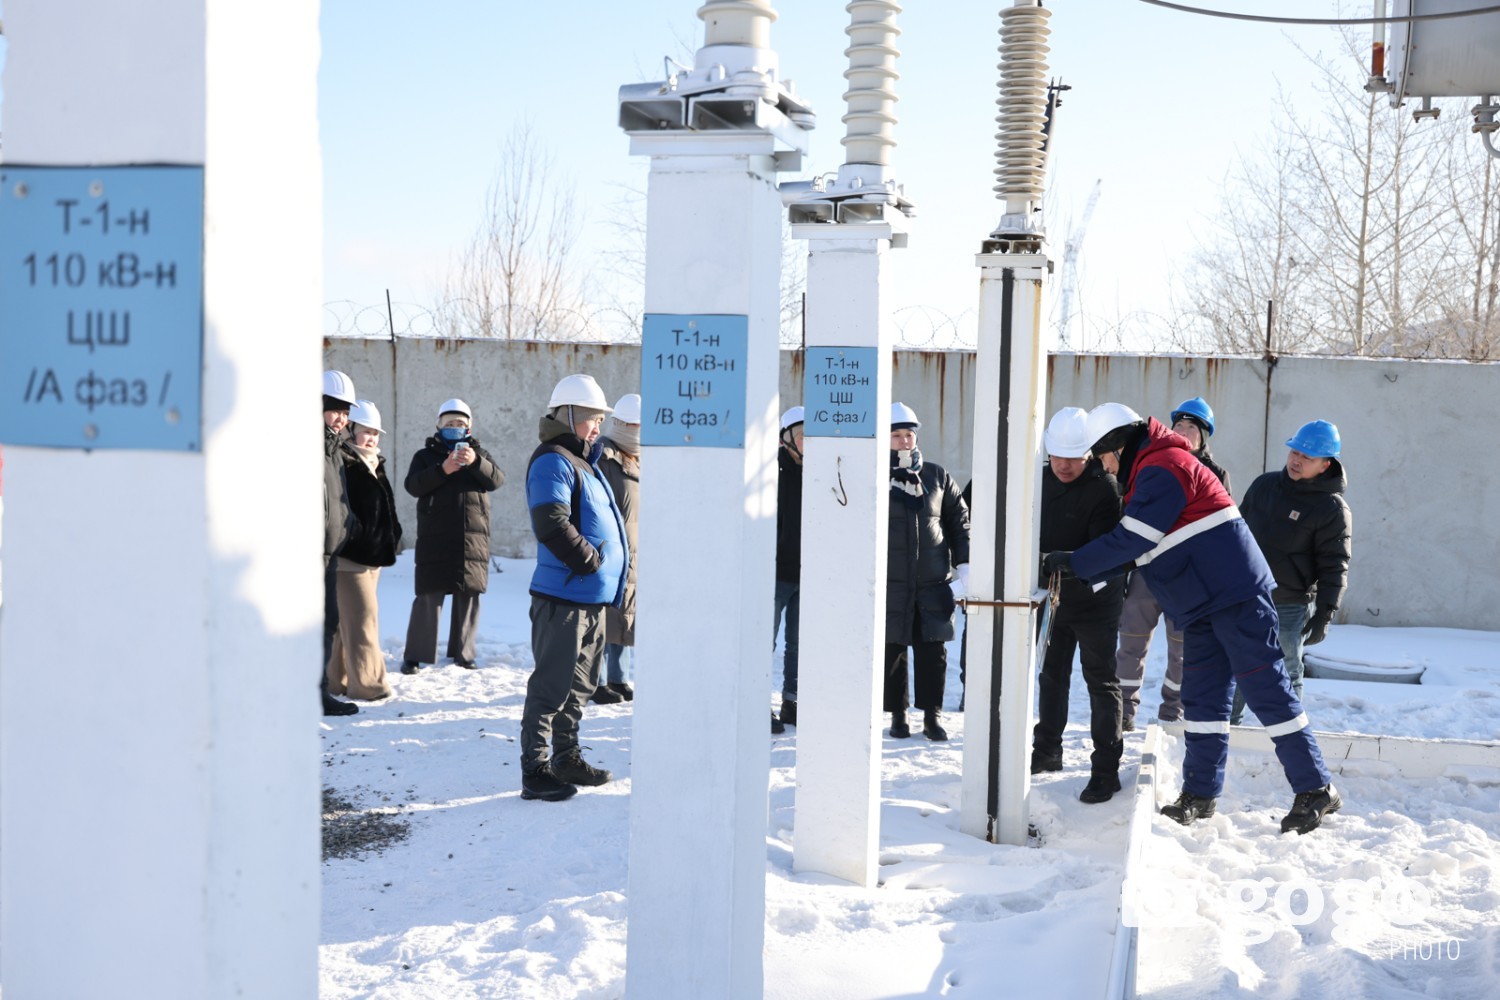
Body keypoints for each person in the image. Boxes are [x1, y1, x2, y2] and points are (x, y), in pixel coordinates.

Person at [1046, 403, 1342, 834]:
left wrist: (1075, 562)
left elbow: (1134, 538)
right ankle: (1200, 793)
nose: (1102, 467)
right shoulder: (1150, 470)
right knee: (1202, 701)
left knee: (1267, 691)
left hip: (1234, 597)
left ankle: (1316, 787)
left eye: (1101, 456)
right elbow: (1143, 550)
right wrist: (1079, 566)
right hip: (1200, 603)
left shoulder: (1164, 466)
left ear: (1117, 446)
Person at [519, 374, 629, 802]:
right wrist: (589, 560)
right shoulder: (553, 460)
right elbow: (550, 520)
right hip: (563, 598)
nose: (597, 426)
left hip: (591, 599)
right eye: (590, 418)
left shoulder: (586, 461)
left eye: (600, 419)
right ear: (567, 416)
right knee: (551, 688)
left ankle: (566, 758)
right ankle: (536, 770)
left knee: (580, 687)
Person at [1116, 397, 1231, 732]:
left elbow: (1221, 528)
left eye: (1191, 427)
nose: (1182, 431)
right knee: (1131, 641)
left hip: (1187, 577)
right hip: (1147, 569)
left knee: (1184, 649)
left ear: (1204, 436)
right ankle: (1122, 709)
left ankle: (1173, 712)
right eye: (1178, 425)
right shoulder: (1154, 463)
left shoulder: (1215, 474)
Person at [1030, 407, 1127, 803]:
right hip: (1053, 598)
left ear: (1089, 454)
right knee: (1051, 675)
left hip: (1096, 600)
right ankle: (1046, 750)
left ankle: (1106, 770)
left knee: (1100, 680)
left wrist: (1061, 560)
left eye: (1073, 458)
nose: (1064, 466)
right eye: (1057, 456)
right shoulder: (1037, 481)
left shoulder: (1105, 488)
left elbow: (1103, 550)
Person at [1230, 420, 1352, 726]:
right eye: (1294, 452)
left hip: (1290, 603)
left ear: (1325, 465)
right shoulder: (1264, 486)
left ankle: (1291, 733)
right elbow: (1235, 534)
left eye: (1307, 457)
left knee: (1286, 670)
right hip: (1246, 595)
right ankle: (1226, 728)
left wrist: (1325, 613)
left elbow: (1335, 564)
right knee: (1237, 665)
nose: (1296, 460)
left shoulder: (1332, 509)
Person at [884, 402, 970, 742]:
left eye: (909, 435)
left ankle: (933, 716)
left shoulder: (937, 476)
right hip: (892, 583)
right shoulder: (876, 475)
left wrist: (965, 565)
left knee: (933, 652)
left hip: (933, 582)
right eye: (896, 435)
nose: (904, 441)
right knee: (893, 650)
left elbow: (959, 523)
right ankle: (898, 714)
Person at [400, 398, 503, 673]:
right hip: (435, 536)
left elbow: (497, 480)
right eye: (449, 423)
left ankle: (463, 653)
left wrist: (476, 462)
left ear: (469, 428)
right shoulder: (425, 456)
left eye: (460, 423)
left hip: (472, 538)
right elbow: (413, 485)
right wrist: (442, 470)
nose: (454, 427)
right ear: (439, 426)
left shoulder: (480, 453)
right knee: (429, 595)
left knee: (469, 594)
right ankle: (415, 655)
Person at [327, 400, 403, 701]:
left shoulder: (372, 461)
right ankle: (370, 686)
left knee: (346, 622)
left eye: (375, 433)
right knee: (362, 620)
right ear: (350, 430)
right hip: (350, 556)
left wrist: (392, 534)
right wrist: (354, 534)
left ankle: (336, 681)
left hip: (372, 555)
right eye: (365, 431)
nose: (371, 438)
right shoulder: (342, 460)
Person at [593, 392, 641, 706]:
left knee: (624, 615)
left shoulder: (639, 458)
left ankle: (618, 678)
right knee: (602, 618)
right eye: (636, 426)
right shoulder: (603, 456)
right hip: (608, 550)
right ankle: (595, 681)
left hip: (634, 552)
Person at [321, 370, 360, 717]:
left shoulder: (333, 449)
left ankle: (317, 693)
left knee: (327, 621)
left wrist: (350, 524)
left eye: (346, 412)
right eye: (335, 410)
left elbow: (337, 498)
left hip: (329, 552)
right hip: (305, 555)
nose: (341, 419)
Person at [772, 406, 804, 734]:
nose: (809, 442)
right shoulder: (771, 471)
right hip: (774, 572)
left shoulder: (823, 472)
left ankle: (792, 701)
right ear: (787, 439)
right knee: (762, 640)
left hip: (807, 573)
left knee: (799, 644)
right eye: (802, 435)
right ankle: (756, 701)